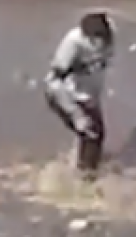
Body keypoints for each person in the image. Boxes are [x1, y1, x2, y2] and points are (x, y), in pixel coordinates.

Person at [43, 11, 115, 180]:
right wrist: (76, 115)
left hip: (88, 96)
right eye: (95, 40)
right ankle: (84, 180)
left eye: (103, 38)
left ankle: (79, 167)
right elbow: (53, 83)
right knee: (91, 134)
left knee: (94, 136)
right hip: (66, 96)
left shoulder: (111, 31)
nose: (100, 44)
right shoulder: (73, 44)